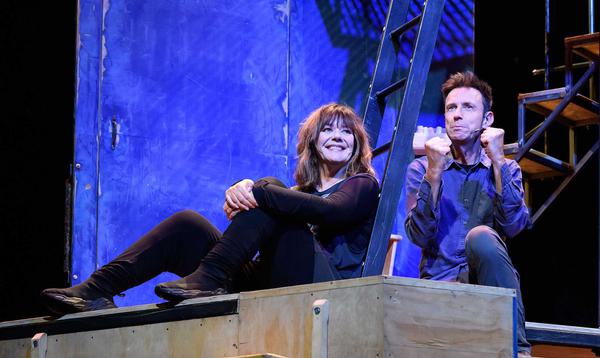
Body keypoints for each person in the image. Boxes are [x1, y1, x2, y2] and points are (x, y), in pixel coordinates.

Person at [42, 103, 379, 315]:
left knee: (269, 189)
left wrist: (257, 190)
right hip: (267, 283)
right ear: (313, 143)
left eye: (347, 132)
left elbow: (331, 212)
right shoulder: (295, 192)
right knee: (187, 224)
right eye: (329, 130)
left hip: (324, 291)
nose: (338, 137)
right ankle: (97, 289)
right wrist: (249, 188)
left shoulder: (362, 184)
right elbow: (277, 202)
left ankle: (210, 278)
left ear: (357, 144)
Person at [404, 72, 532, 356]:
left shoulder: (506, 168)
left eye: (467, 108)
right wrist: (434, 172)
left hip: (487, 286)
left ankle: (518, 351)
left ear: (488, 120)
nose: (456, 116)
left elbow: (513, 226)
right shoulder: (421, 169)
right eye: (451, 108)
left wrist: (498, 160)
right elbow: (419, 234)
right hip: (441, 284)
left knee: (481, 236)